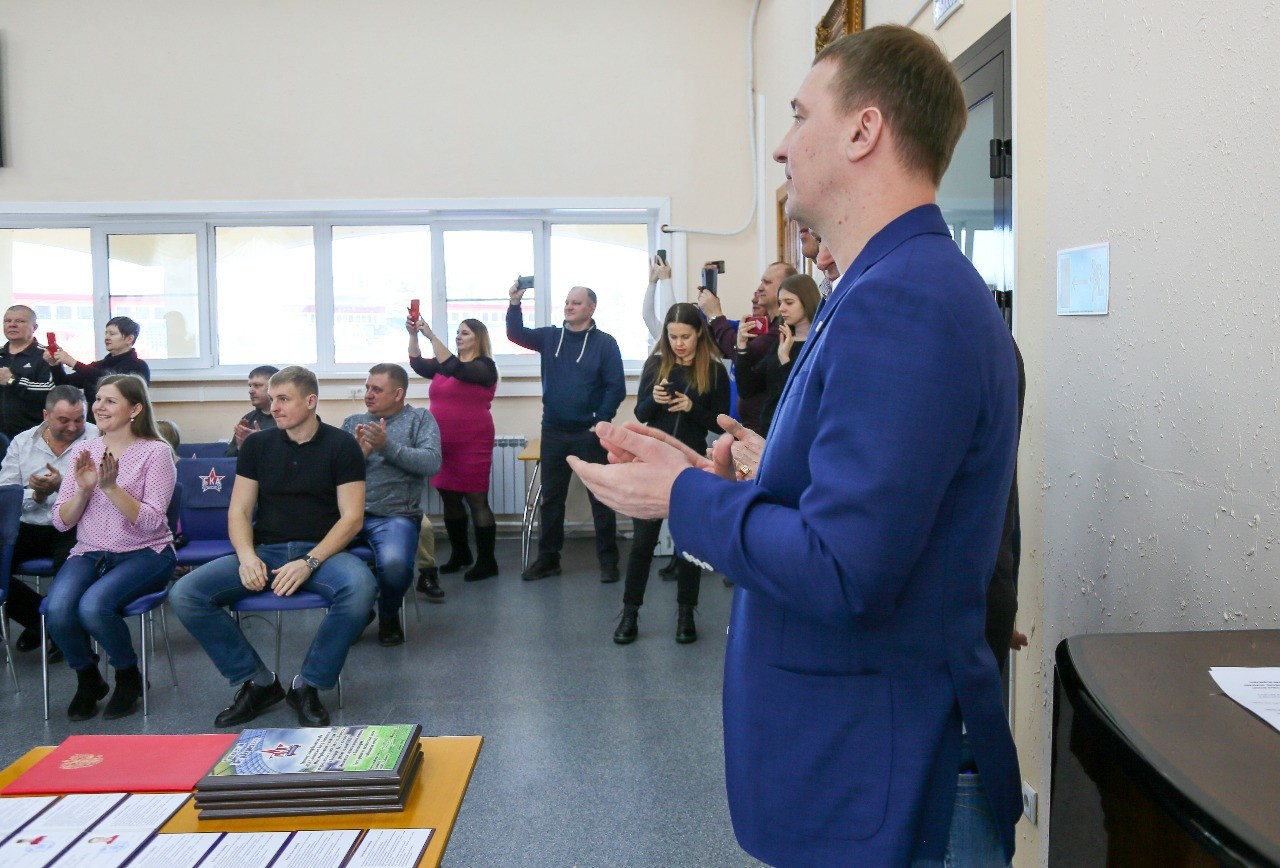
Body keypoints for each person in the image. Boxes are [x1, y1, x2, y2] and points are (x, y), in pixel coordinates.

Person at [570, 25, 1021, 866]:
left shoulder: (905, 301)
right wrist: (735, 482)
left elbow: (845, 570)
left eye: (800, 116)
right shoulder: (887, 284)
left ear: (864, 130)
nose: (781, 146)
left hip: (888, 776)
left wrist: (683, 496)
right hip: (868, 761)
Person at [170, 366, 377, 728]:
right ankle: (258, 682)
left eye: (283, 399)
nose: (274, 406)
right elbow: (239, 510)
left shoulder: (342, 446)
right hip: (266, 551)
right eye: (272, 398)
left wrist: (310, 562)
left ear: (310, 401)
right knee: (186, 593)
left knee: (361, 588)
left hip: (323, 552)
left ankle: (308, 684)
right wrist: (247, 557)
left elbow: (352, 519)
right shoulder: (258, 446)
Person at [46, 374, 176, 721]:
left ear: (135, 409)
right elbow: (61, 521)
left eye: (110, 401)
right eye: (98, 399)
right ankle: (88, 678)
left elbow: (151, 522)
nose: (99, 407)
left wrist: (111, 487)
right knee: (57, 609)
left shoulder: (156, 452)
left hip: (146, 553)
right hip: (90, 552)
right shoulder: (84, 450)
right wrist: (85, 490)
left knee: (93, 607)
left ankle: (127, 675)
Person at [613, 303, 729, 646]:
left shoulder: (715, 371)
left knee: (688, 546)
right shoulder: (656, 364)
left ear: (699, 334)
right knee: (642, 544)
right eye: (673, 336)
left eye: (685, 337)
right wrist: (654, 398)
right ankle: (629, 613)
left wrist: (692, 408)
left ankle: (686, 613)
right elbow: (641, 413)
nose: (679, 343)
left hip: (689, 466)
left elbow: (720, 422)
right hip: (653, 465)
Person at [507, 282, 625, 582]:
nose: (569, 306)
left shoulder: (605, 343)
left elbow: (616, 387)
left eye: (576, 302)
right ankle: (549, 560)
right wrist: (515, 303)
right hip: (554, 431)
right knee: (551, 500)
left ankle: (608, 561)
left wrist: (601, 419)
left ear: (591, 308)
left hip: (589, 434)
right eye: (567, 302)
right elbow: (515, 334)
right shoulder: (550, 337)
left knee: (601, 497)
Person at [341, 363, 442, 645]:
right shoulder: (352, 422)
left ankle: (388, 614)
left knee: (395, 564)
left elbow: (431, 463)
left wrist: (386, 447)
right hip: (348, 515)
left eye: (376, 389)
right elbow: (332, 474)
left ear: (398, 394)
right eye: (367, 388)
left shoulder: (419, 419)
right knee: (319, 557)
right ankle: (358, 612)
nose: (368, 394)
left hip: (395, 515)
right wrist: (358, 456)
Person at [0, 385, 99, 660]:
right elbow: (7, 494)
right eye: (63, 420)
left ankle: (62, 630)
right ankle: (42, 621)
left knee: (69, 575)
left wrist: (61, 486)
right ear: (46, 415)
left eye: (79, 419)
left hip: (75, 525)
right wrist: (37, 495)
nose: (73, 427)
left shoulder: (98, 438)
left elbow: (106, 492)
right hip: (27, 524)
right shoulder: (22, 442)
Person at [408, 316, 500, 582]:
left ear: (478, 338)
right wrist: (414, 335)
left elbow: (456, 368)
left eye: (465, 333)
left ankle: (487, 561)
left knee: (476, 499)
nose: (459, 336)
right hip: (442, 442)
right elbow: (417, 363)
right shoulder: (444, 365)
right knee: (449, 497)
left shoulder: (484, 367)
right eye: (458, 332)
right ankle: (461, 554)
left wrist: (431, 335)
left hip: (473, 441)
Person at [697, 262, 796, 433]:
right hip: (751, 425)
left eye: (767, 282)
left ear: (785, 288)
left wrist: (715, 315)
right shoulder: (764, 325)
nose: (760, 288)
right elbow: (722, 345)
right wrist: (709, 311)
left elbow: (743, 354)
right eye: (761, 281)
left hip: (765, 428)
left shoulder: (781, 330)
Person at [734, 273, 820, 433]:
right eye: (780, 303)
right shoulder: (781, 340)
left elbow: (804, 395)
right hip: (769, 428)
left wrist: (785, 360)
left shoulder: (819, 343)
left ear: (807, 301)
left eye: (789, 302)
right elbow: (747, 388)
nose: (781, 309)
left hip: (796, 431)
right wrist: (742, 348)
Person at [47, 316, 150, 423]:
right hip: (95, 424)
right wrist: (55, 365)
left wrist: (73, 363)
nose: (107, 337)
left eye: (112, 334)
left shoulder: (138, 366)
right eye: (106, 333)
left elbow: (111, 383)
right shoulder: (99, 365)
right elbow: (64, 384)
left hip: (123, 425)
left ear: (129, 339)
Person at [0, 305, 56, 441]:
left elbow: (51, 391)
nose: (12, 325)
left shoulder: (46, 355)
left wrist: (13, 380)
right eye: (8, 321)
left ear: (34, 327)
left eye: (20, 321)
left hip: (33, 436)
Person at [225, 365, 279, 457]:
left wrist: (262, 441)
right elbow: (229, 458)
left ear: (275, 388)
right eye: (250, 386)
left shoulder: (288, 418)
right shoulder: (248, 419)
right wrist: (241, 447)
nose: (250, 391)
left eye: (257, 385)